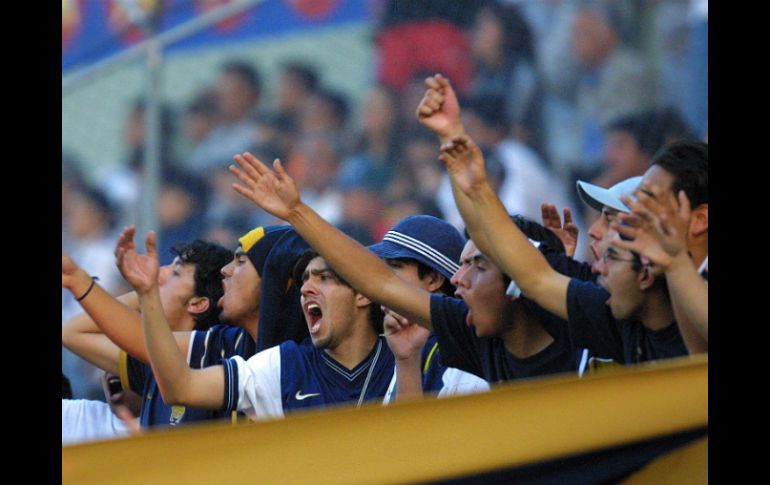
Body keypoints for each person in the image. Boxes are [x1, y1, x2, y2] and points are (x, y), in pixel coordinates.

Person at [229, 151, 588, 384]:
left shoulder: (590, 334)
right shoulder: (464, 338)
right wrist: (295, 212)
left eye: (477, 266)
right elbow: (379, 282)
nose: (459, 279)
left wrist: (561, 274)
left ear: (518, 282)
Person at [435, 131, 687, 365]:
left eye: (610, 220)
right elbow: (496, 246)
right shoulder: (614, 316)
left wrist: (477, 186)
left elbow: (519, 265)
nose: (594, 231)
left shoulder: (694, 322)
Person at [115, 231, 394, 420]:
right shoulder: (284, 365)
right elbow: (181, 387)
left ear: (362, 294)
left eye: (323, 278)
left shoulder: (405, 358)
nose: (307, 287)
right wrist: (148, 295)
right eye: (304, 279)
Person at [62, 240, 232, 427]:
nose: (158, 275)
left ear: (197, 304)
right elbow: (71, 332)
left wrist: (148, 290)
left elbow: (73, 332)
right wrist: (145, 292)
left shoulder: (215, 358)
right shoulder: (151, 360)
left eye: (175, 273)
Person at [368, 215, 488, 401]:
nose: (383, 279)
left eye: (394, 266)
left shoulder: (462, 349)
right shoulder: (404, 342)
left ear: (433, 279)